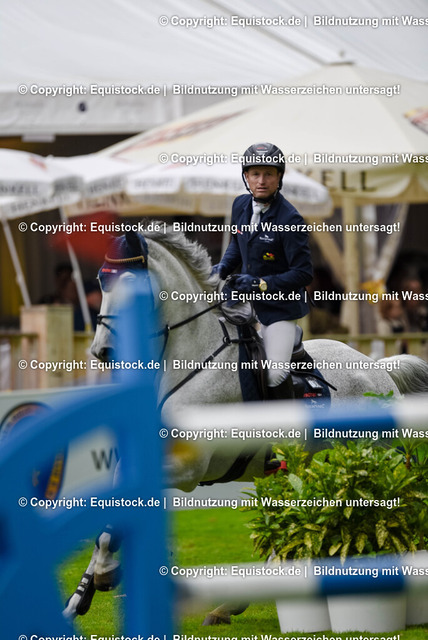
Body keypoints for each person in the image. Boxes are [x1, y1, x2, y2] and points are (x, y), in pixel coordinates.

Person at [212, 142, 313, 399]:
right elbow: (237, 243)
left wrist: (261, 284)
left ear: (279, 177)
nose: (261, 180)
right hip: (245, 303)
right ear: (246, 176)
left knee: (274, 374)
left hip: (279, 308)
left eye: (269, 174)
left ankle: (286, 421)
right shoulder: (240, 205)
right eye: (255, 174)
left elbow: (303, 273)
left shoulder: (290, 219)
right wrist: (222, 268)